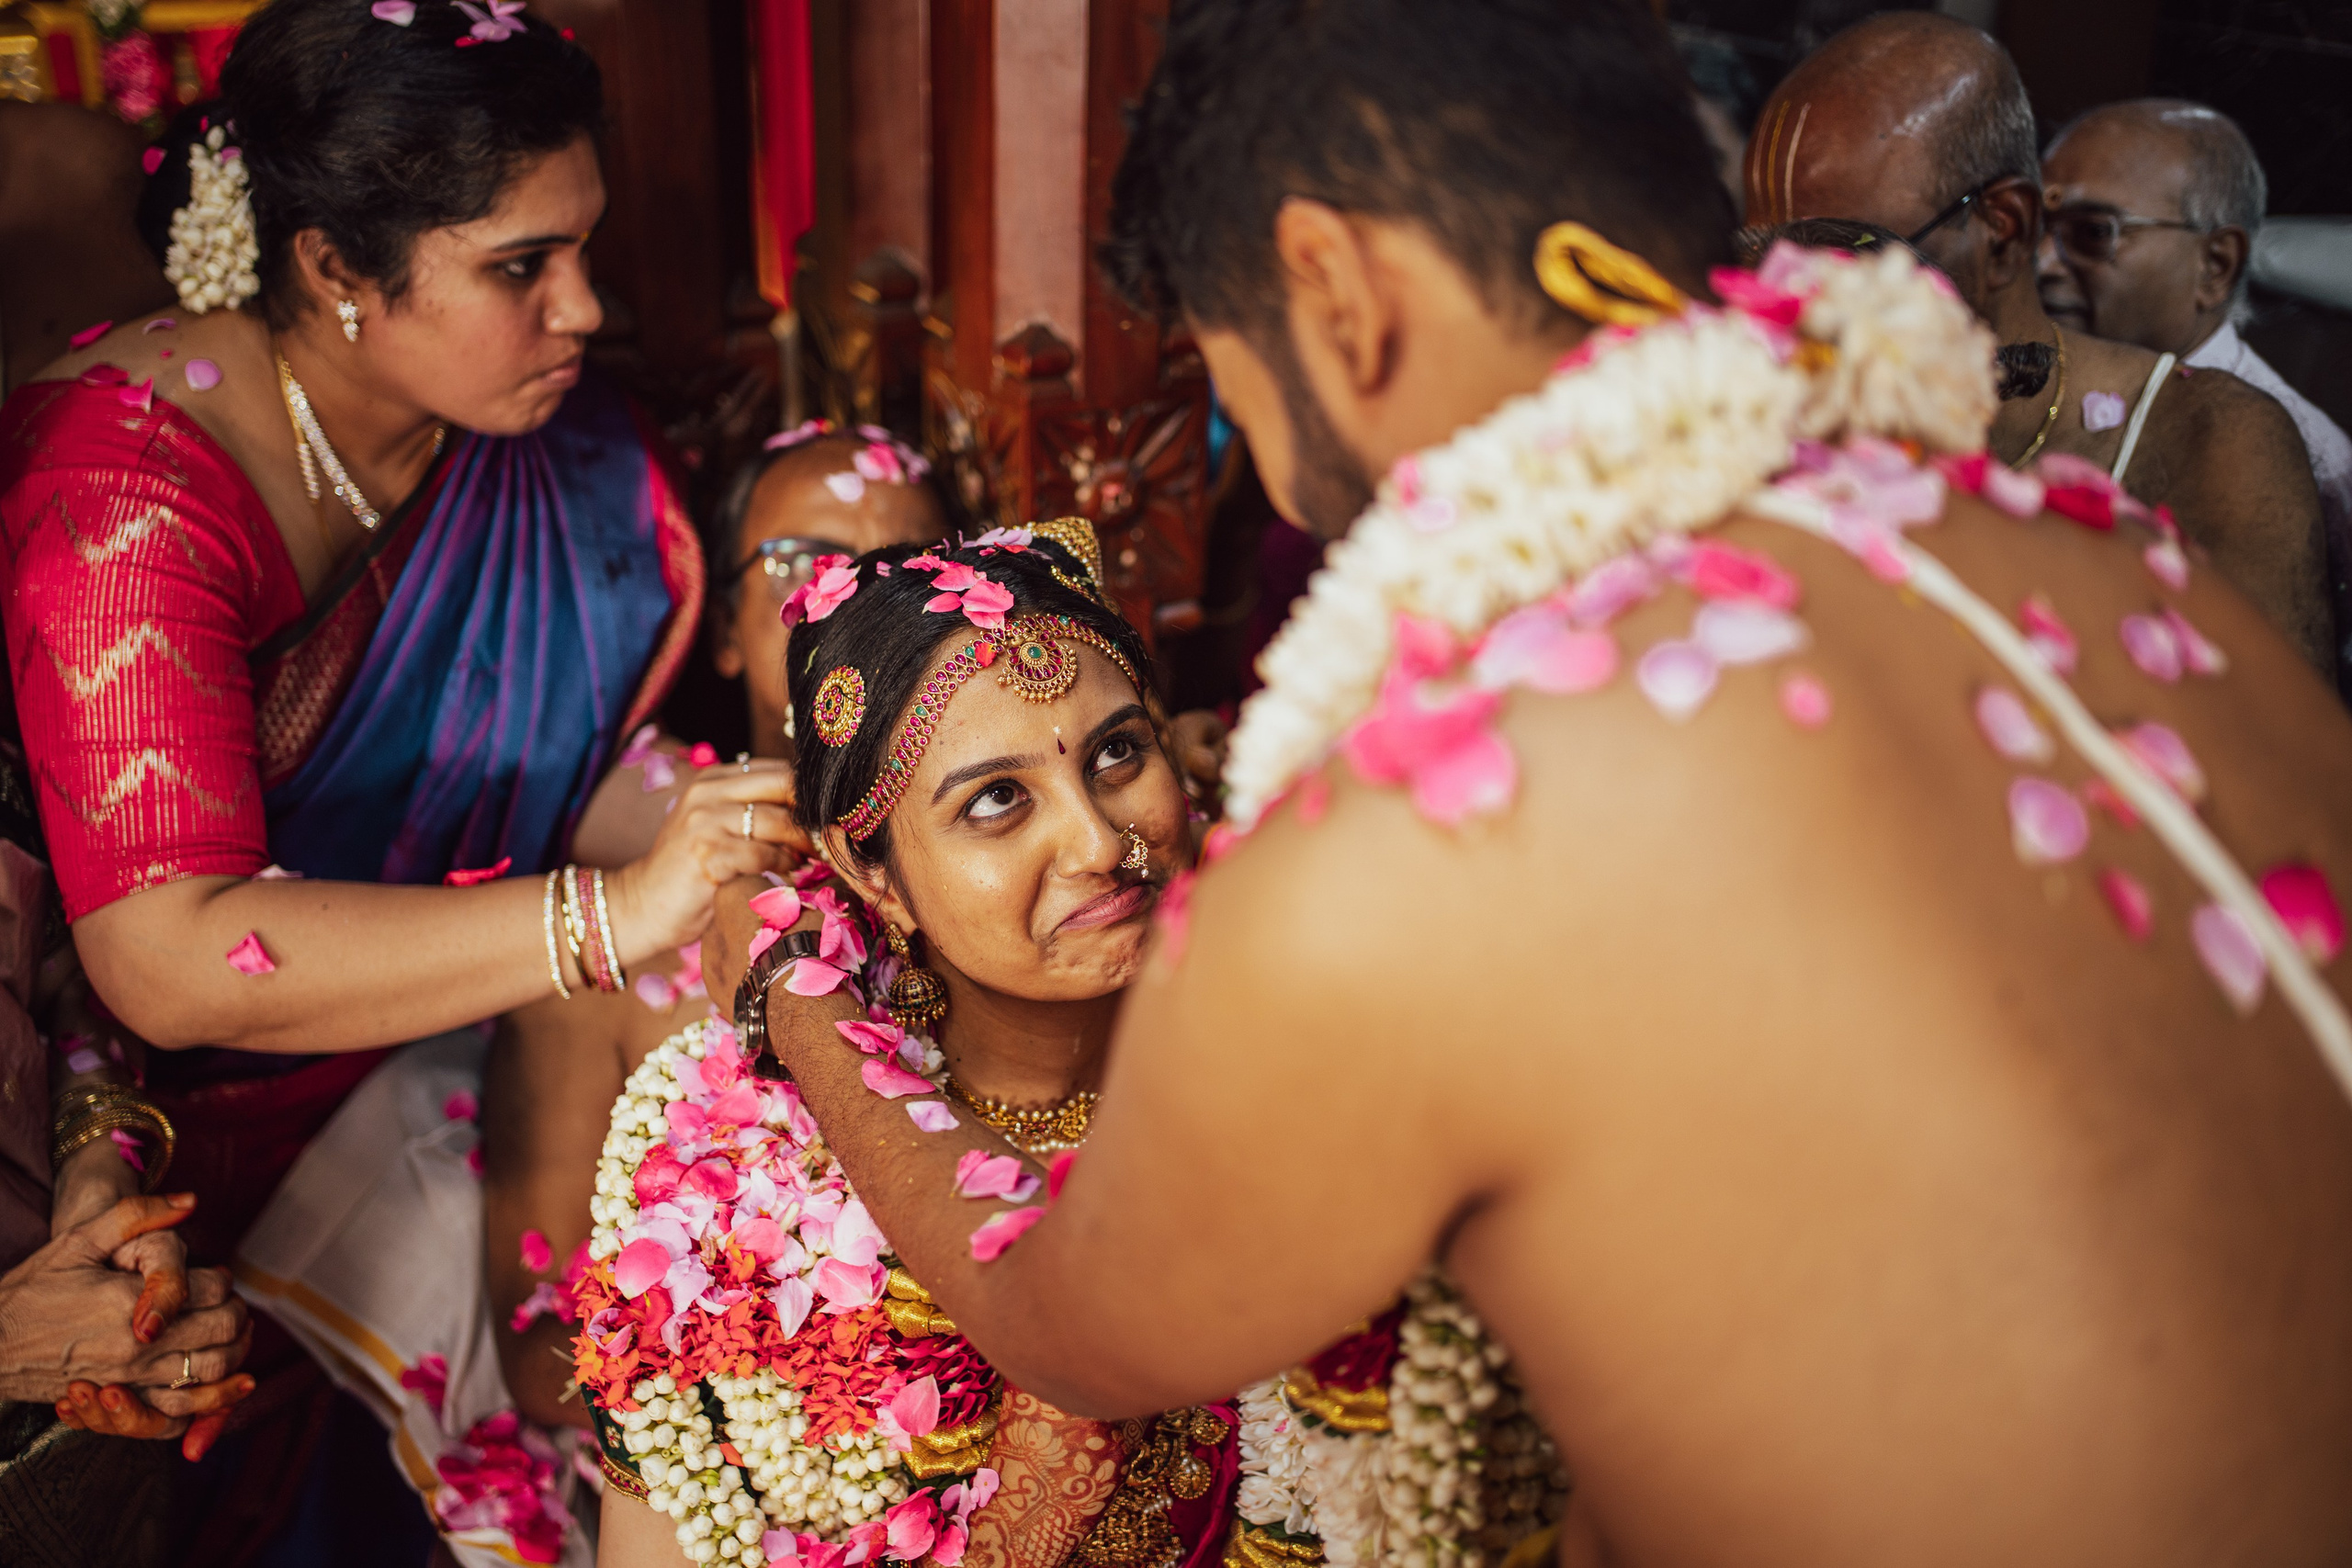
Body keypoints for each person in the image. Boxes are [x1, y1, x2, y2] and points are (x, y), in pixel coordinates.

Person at [701, 2, 2352, 1563]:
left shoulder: (1438, 816)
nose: (1267, 456)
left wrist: (800, 1007)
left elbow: (1067, 1320)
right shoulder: (2115, 564)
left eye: (1226, 373)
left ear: (1328, 289)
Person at [0, 0, 793, 1548]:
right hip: (135, 1156)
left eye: (585, 246)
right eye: (520, 268)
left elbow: (574, 755)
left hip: (421, 1086)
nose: (583, 308)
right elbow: (162, 954)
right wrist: (612, 910)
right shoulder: (127, 498)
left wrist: (731, 836)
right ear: (336, 270)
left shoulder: (523, 442)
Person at [582, 527, 1286, 1568]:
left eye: (1118, 753)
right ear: (870, 875)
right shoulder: (734, 1167)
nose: (1098, 842)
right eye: (996, 800)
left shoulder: (1297, 1062)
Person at [1740, 12, 2335, 677]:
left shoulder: (2215, 440)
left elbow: (2280, 757)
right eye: (1762, 260)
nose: (1787, 299)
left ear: (2005, 229)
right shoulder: (1784, 414)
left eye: (1841, 253)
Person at [2040, 100, 2352, 690]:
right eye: (2037, 225)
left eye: (2092, 234)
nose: (2042, 262)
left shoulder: (2310, 456)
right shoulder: (2043, 382)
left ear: (2215, 264)